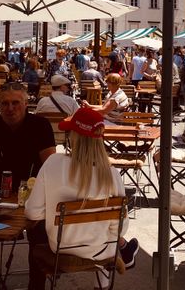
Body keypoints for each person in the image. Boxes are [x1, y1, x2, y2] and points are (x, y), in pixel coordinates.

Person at [26, 107, 139, 290]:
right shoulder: (112, 174)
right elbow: (121, 227)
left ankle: (123, 252)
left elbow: (32, 212)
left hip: (60, 249)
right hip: (101, 251)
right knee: (108, 234)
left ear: (74, 136)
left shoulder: (53, 163)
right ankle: (102, 284)